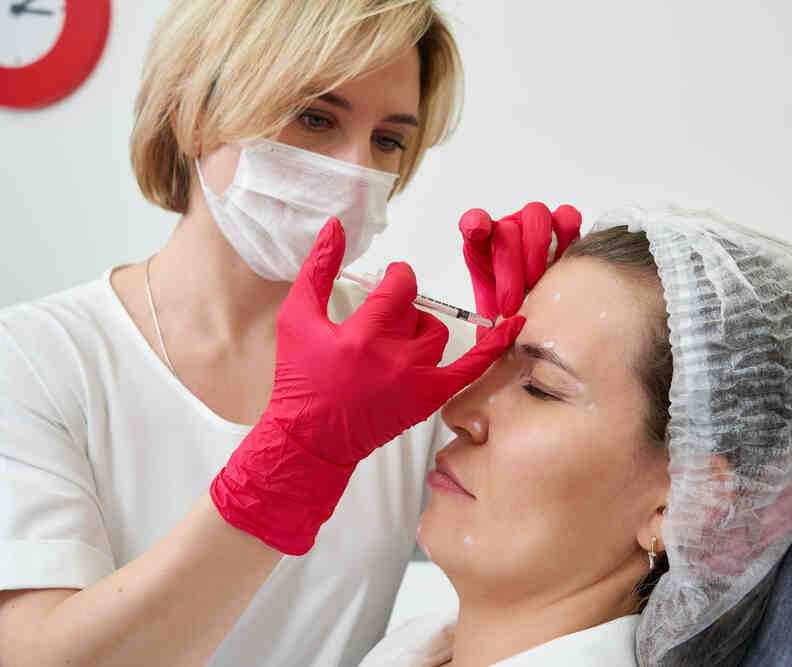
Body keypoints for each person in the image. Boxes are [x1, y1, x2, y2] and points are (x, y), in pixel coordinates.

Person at [0, 1, 579, 665]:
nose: (355, 168)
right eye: (315, 117)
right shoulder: (32, 361)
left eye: (388, 139)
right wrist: (296, 458)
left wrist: (547, 343)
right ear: (194, 118)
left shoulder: (401, 361)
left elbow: (568, 565)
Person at [359, 204, 792, 666]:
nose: (458, 409)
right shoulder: (415, 644)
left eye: (538, 388)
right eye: (491, 361)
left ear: (687, 503)